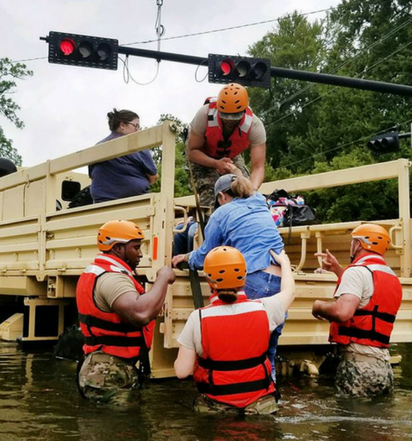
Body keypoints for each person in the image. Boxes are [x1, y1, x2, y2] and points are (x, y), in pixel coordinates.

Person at [171, 173, 286, 381]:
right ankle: (268, 396)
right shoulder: (261, 203)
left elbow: (207, 254)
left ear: (222, 196)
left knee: (240, 349)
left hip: (253, 277)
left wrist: (186, 257)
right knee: (267, 353)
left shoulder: (222, 212)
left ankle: (233, 398)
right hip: (280, 279)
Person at [174, 246, 295, 415]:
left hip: (218, 409)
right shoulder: (265, 309)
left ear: (209, 281)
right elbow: (289, 292)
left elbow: (182, 372)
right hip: (260, 407)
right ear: (244, 278)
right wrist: (284, 263)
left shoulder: (198, 318)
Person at [76, 219, 176, 405]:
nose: (140, 254)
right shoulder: (112, 278)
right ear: (118, 249)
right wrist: (163, 277)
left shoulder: (101, 271)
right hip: (108, 370)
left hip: (105, 365)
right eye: (136, 248)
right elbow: (141, 314)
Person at [311, 224, 403, 397]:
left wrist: (318, 306)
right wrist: (339, 270)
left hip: (358, 366)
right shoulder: (390, 276)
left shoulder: (357, 272)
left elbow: (343, 312)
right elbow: (367, 298)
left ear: (359, 244)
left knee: (352, 421)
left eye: (353, 242)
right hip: (382, 366)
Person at [186, 83, 267, 208]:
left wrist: (252, 191)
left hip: (231, 156)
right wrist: (215, 163)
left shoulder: (255, 126)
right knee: (211, 193)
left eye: (234, 117)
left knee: (242, 189)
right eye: (225, 117)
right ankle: (210, 222)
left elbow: (258, 167)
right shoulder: (204, 115)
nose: (229, 121)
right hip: (201, 155)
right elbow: (192, 152)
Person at [89, 109, 158, 204]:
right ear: (122, 125)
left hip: (100, 204)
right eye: (136, 126)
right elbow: (153, 177)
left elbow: (92, 175)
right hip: (134, 203)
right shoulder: (137, 145)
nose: (138, 130)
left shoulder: (97, 148)